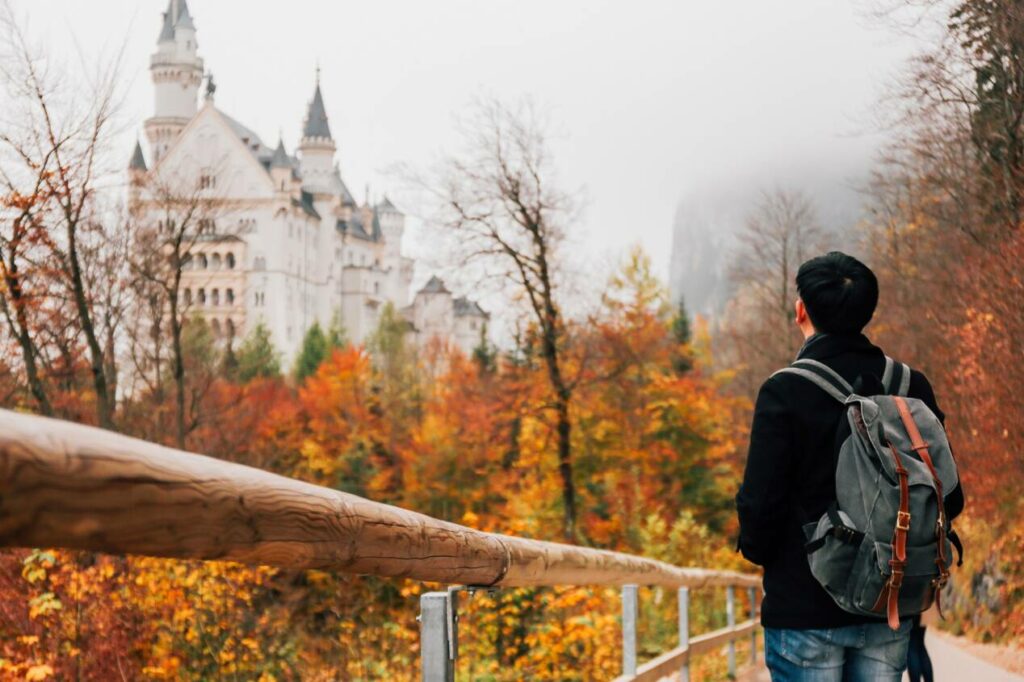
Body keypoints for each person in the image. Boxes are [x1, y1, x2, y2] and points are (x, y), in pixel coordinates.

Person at [735, 252, 964, 681]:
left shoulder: (783, 391)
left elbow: (759, 512)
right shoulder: (911, 387)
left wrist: (761, 550)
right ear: (867, 310)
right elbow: (949, 497)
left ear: (801, 310)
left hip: (803, 608)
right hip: (889, 605)